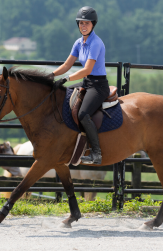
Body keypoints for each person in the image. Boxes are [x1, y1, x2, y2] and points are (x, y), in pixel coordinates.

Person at [51, 6, 110, 165]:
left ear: (93, 24)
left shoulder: (96, 43)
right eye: (81, 23)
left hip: (98, 86)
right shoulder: (79, 42)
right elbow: (66, 65)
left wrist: (66, 79)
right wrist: (51, 75)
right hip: (87, 82)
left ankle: (96, 154)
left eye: (87, 23)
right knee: (61, 95)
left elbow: (87, 70)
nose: (83, 26)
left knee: (83, 114)